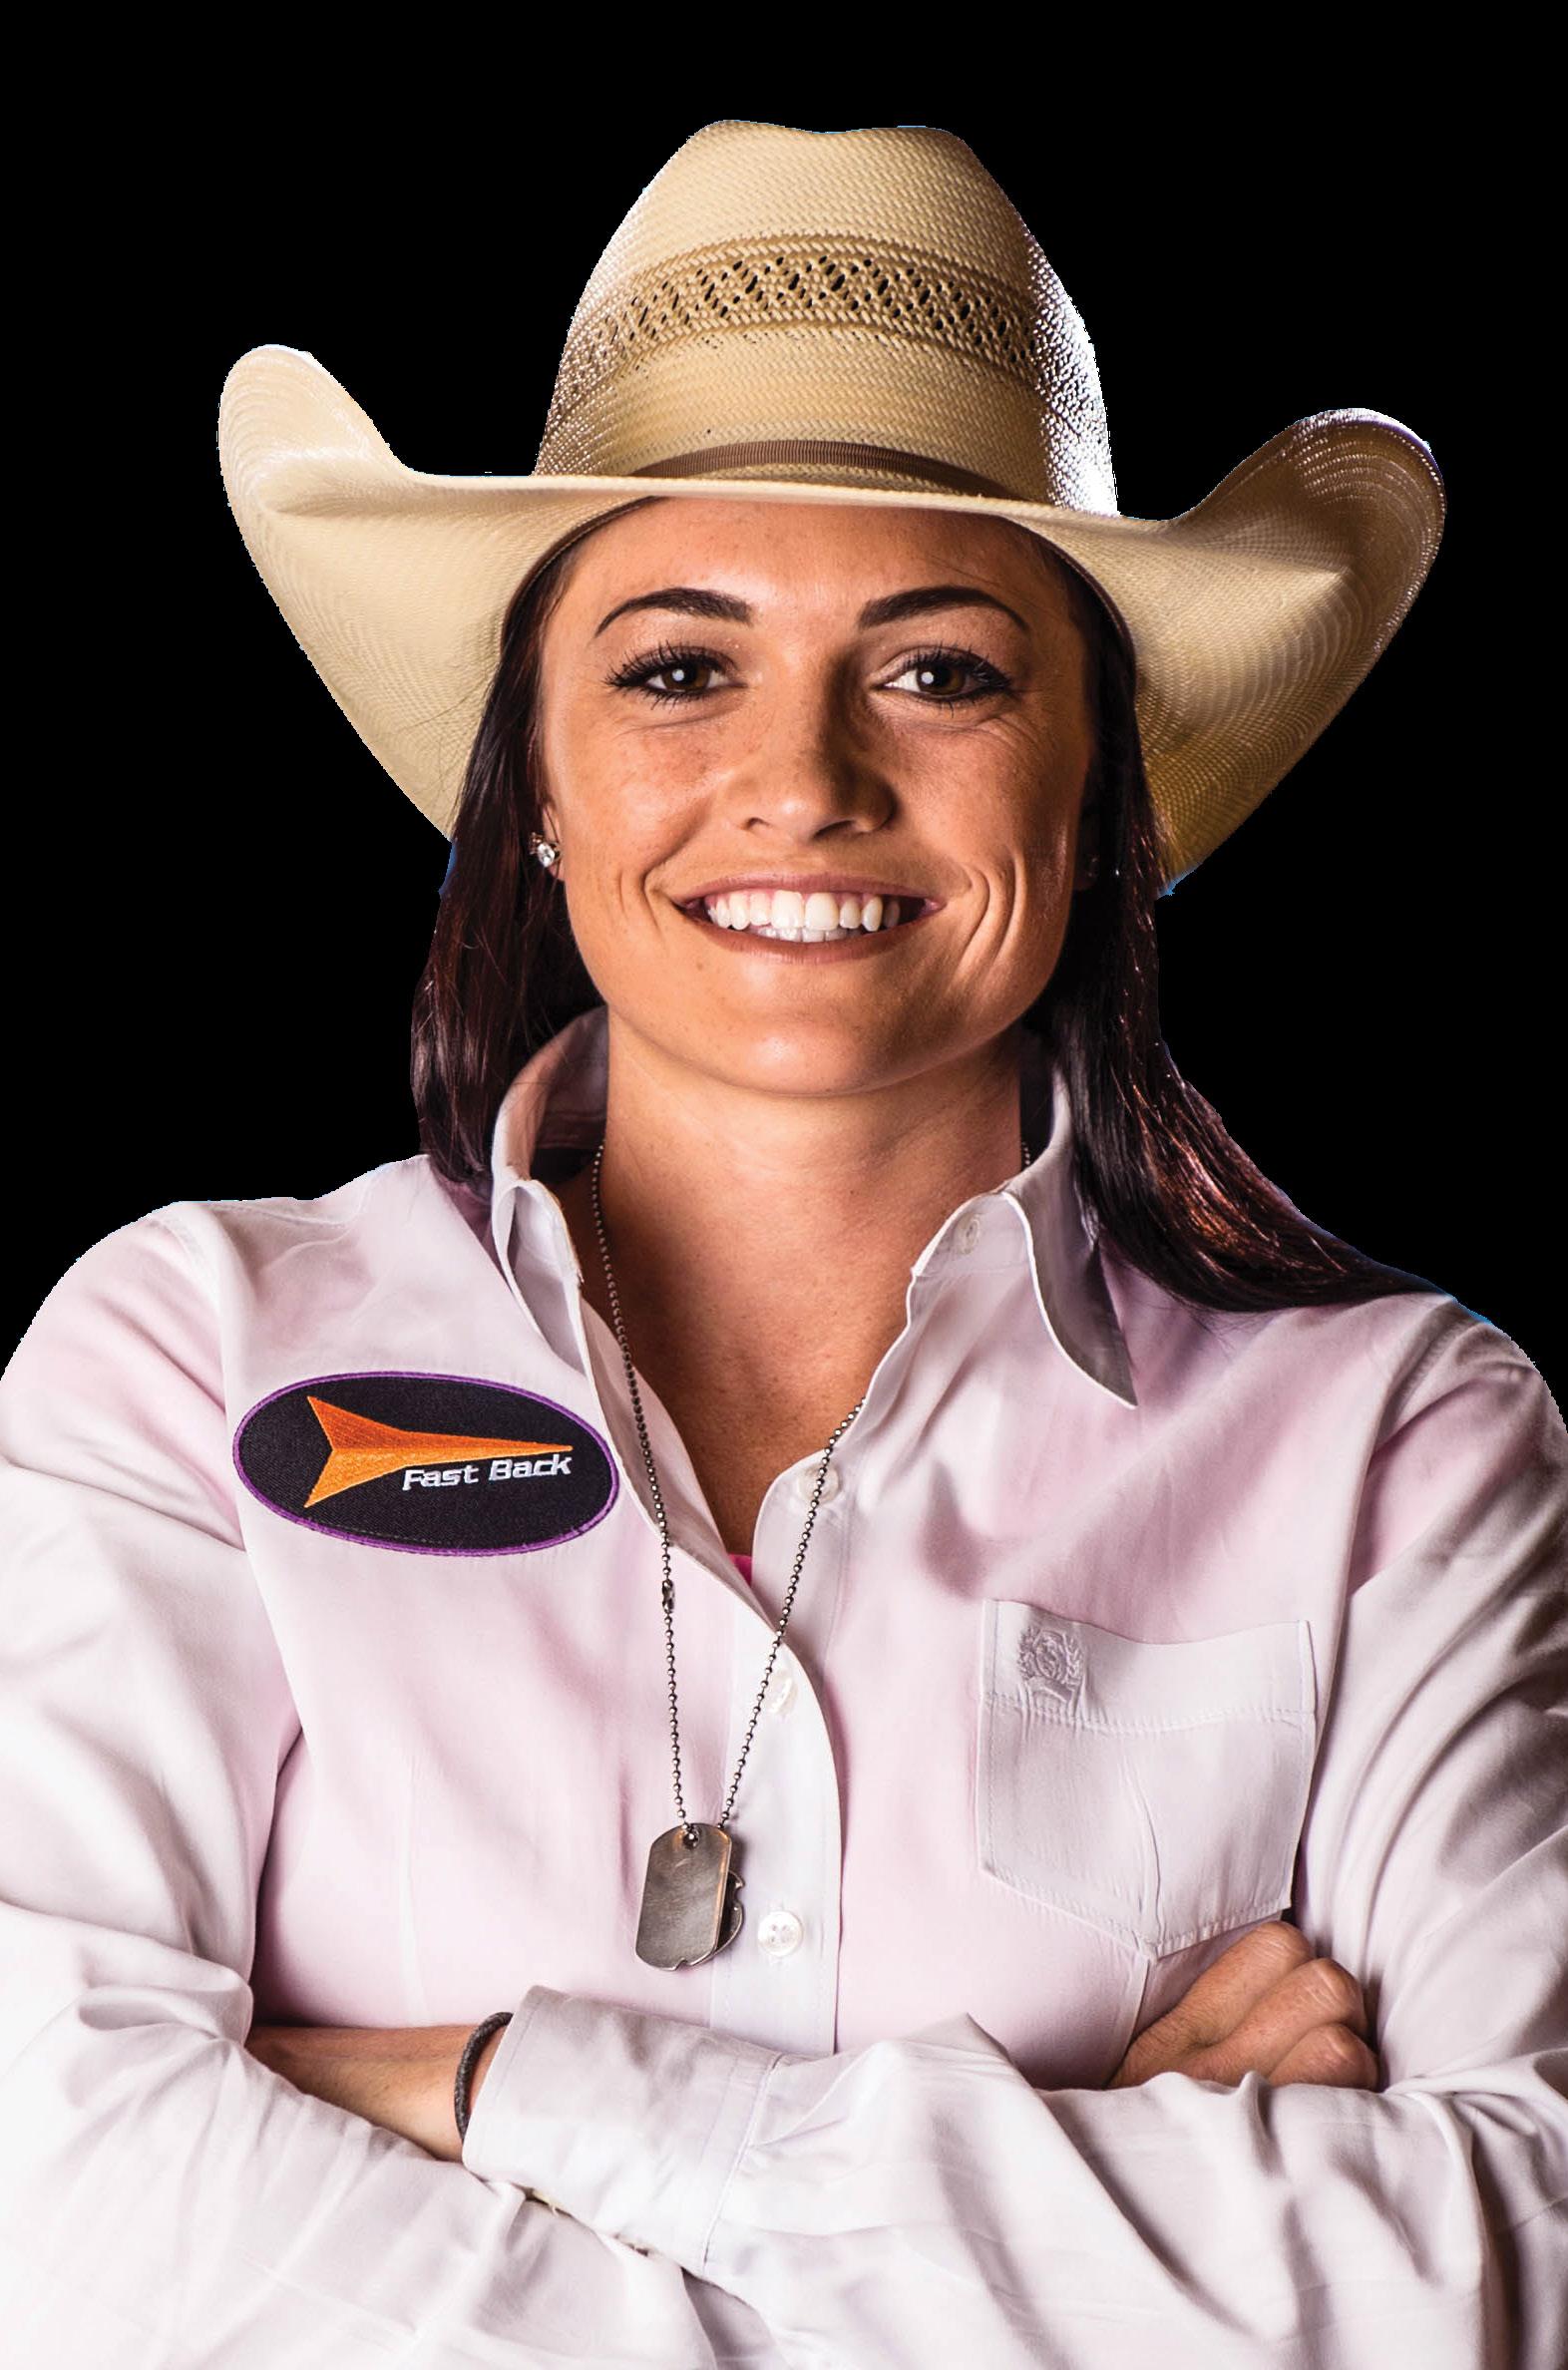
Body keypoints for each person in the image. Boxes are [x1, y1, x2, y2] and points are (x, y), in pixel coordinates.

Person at [1, 119, 1562, 2370]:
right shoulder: (187, 1366)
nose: (808, 779)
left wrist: (485, 2093)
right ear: (536, 780)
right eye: (675, 669)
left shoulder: (1398, 1444)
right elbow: (59, 2225)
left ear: (1095, 786)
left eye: (941, 672)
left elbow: (1511, 2258)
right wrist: (1085, 2228)